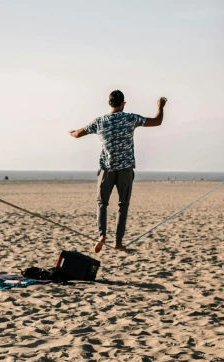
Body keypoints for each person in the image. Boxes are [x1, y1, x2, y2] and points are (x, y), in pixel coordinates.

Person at [69, 91, 167, 254]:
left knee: (102, 203)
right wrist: (160, 107)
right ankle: (118, 242)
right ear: (123, 104)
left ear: (109, 104)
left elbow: (78, 134)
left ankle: (102, 234)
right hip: (125, 170)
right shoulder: (130, 118)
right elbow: (157, 121)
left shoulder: (100, 121)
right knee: (123, 205)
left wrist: (71, 132)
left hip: (106, 169)